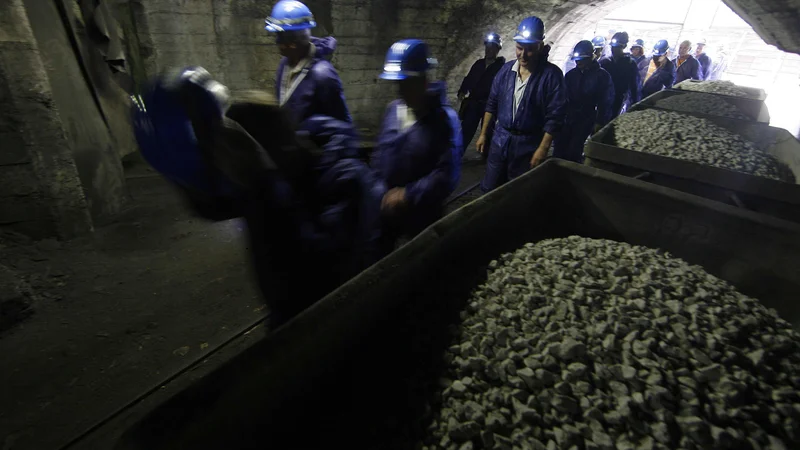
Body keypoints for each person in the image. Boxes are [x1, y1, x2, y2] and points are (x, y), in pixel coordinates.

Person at [132, 67, 385, 326]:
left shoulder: (345, 182)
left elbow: (323, 285)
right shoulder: (266, 177)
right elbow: (216, 204)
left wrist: (264, 184)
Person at [372, 39, 462, 250]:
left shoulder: (444, 121)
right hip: (387, 209)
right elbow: (380, 156)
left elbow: (447, 174)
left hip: (423, 213)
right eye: (398, 83)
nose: (400, 90)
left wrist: (407, 195)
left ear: (423, 80)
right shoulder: (394, 110)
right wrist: (377, 191)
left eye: (406, 83)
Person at [475, 16, 567, 192]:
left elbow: (555, 116)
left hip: (528, 144)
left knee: (516, 191)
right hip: (500, 140)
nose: (523, 55)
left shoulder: (551, 76)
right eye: (519, 48)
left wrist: (543, 148)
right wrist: (483, 134)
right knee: (489, 188)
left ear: (540, 46)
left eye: (530, 49)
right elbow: (492, 103)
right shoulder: (505, 71)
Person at [265, 0, 351, 124]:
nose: (277, 42)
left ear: (294, 42)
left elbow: (341, 127)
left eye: (281, 37)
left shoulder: (323, 75)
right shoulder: (285, 64)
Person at [553, 40, 614, 163]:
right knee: (559, 147)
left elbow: (606, 101)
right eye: (576, 59)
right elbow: (562, 97)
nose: (578, 62)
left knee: (575, 149)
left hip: (585, 117)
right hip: (568, 117)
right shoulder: (571, 75)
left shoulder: (602, 76)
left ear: (590, 57)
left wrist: (600, 122)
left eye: (581, 59)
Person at [457, 32, 506, 153]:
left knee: (488, 133)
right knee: (466, 129)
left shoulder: (501, 67)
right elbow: (469, 78)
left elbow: (504, 87)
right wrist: (463, 90)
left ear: (497, 49)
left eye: (492, 47)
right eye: (487, 47)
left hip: (489, 105)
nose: (489, 50)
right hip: (474, 102)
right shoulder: (478, 64)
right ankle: (457, 154)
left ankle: (486, 157)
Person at [599, 31, 640, 118]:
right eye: (613, 47)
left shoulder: (630, 64)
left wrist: (635, 104)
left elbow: (634, 86)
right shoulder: (605, 62)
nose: (614, 49)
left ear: (624, 46)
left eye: (617, 47)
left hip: (618, 98)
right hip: (602, 99)